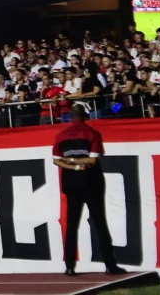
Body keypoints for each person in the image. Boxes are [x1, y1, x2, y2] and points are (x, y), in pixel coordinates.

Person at [51, 105, 124, 277]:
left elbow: (57, 161)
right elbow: (92, 160)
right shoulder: (92, 133)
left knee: (71, 225)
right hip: (91, 181)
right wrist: (80, 164)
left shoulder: (61, 136)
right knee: (100, 223)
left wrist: (72, 164)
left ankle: (69, 266)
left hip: (71, 182)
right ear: (85, 115)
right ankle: (110, 265)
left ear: (71, 115)